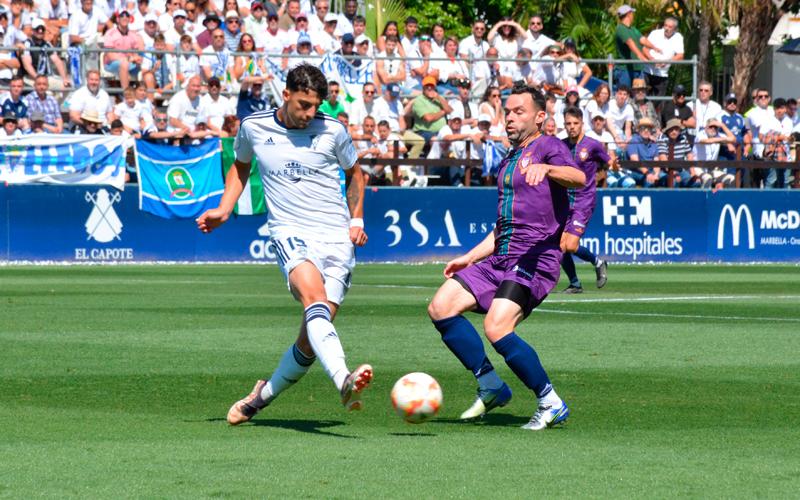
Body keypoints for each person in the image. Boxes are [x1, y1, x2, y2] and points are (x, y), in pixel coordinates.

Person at [196, 63, 373, 425]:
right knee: (313, 297)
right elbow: (241, 165)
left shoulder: (333, 130)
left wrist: (356, 220)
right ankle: (344, 379)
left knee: (311, 339)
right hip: (290, 231)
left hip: (336, 237)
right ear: (287, 94)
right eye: (304, 104)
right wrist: (224, 208)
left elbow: (355, 173)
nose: (310, 113)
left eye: (316, 106)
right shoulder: (253, 127)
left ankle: (260, 396)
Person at [426, 83, 585, 431]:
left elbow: (578, 176)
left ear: (540, 117)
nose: (510, 118)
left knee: (496, 326)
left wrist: (549, 170)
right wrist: (469, 257)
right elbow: (502, 226)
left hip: (535, 258)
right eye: (507, 111)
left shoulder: (549, 146)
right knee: (441, 306)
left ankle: (550, 401)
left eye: (519, 111)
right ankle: (491, 384)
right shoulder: (509, 159)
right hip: (502, 257)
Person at [559, 106, 610, 294]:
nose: (571, 127)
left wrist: (602, 175)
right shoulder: (561, 145)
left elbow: (608, 160)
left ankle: (598, 262)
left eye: (575, 123)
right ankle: (575, 284)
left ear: (582, 124)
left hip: (584, 200)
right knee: (559, 246)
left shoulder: (592, 145)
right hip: (564, 201)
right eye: (568, 123)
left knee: (570, 245)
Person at [643, 17, 683, 96]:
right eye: (665, 25)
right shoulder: (655, 33)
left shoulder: (678, 37)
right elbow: (645, 49)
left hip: (662, 74)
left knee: (659, 102)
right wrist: (652, 59)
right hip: (647, 71)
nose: (667, 28)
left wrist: (666, 62)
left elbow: (680, 55)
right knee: (643, 98)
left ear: (675, 29)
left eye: (670, 27)